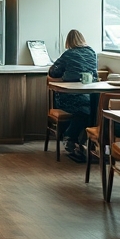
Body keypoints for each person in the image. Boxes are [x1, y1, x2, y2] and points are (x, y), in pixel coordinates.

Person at [47, 29, 99, 163]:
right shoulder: (92, 53)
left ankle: (71, 138)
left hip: (68, 95)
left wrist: (62, 77)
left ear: (68, 42)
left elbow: (53, 72)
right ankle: (82, 142)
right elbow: (95, 75)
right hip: (88, 95)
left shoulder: (68, 54)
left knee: (82, 110)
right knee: (92, 111)